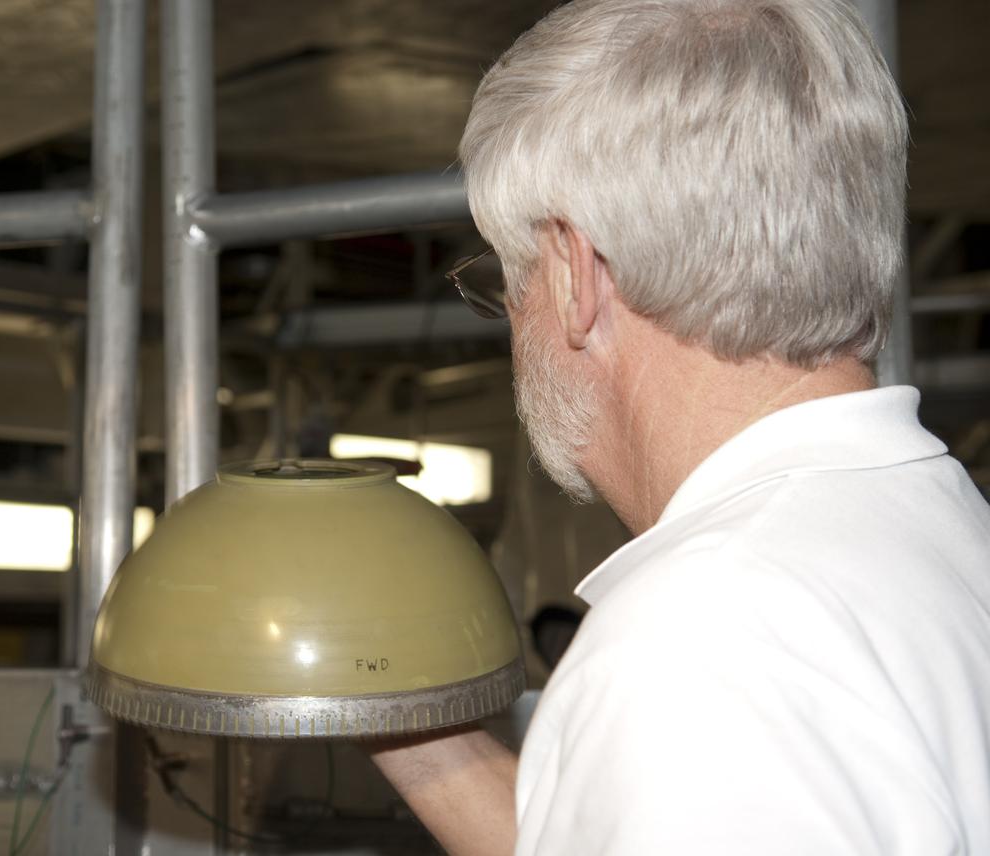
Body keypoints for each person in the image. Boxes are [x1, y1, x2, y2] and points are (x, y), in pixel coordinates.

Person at [369, 1, 990, 854]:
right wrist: (411, 731)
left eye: (510, 277)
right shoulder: (932, 523)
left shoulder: (691, 645)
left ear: (575, 275)